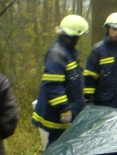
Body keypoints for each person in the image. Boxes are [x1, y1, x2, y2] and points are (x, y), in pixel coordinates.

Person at [32, 14, 88, 146]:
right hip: (60, 115)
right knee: (56, 146)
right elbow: (53, 85)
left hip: (72, 110)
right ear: (72, 36)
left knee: (68, 146)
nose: (79, 39)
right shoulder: (56, 54)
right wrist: (64, 109)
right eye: (78, 36)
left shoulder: (69, 52)